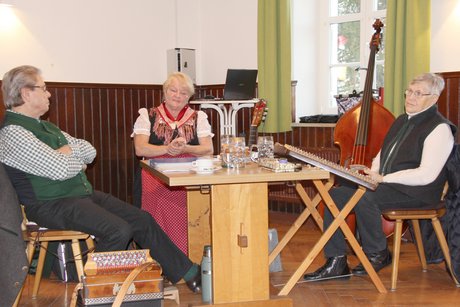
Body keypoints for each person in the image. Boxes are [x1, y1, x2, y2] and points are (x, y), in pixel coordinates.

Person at [0, 65, 202, 293]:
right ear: (26, 93)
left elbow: (90, 151)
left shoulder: (45, 126)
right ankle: (95, 291)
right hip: (49, 204)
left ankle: (190, 273)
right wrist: (69, 157)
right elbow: (60, 169)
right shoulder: (13, 132)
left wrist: (68, 154)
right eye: (44, 88)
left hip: (77, 196)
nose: (49, 94)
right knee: (117, 230)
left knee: (141, 219)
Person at [304, 73, 457, 282]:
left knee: (365, 197)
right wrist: (372, 173)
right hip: (390, 186)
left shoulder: (439, 128)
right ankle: (336, 260)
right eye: (409, 92)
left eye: (418, 94)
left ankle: (378, 252)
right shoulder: (402, 120)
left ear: (434, 98)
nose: (410, 97)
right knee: (336, 194)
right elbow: (382, 153)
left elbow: (426, 175)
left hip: (419, 193)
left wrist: (383, 179)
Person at [132, 72, 213, 255]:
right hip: (154, 176)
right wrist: (168, 149)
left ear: (189, 97)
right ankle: (158, 259)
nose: (178, 96)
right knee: (154, 218)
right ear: (164, 91)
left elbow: (208, 149)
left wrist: (185, 149)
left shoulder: (198, 117)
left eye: (183, 93)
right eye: (173, 90)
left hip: (188, 178)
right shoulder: (147, 115)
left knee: (189, 215)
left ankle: (188, 257)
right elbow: (140, 149)